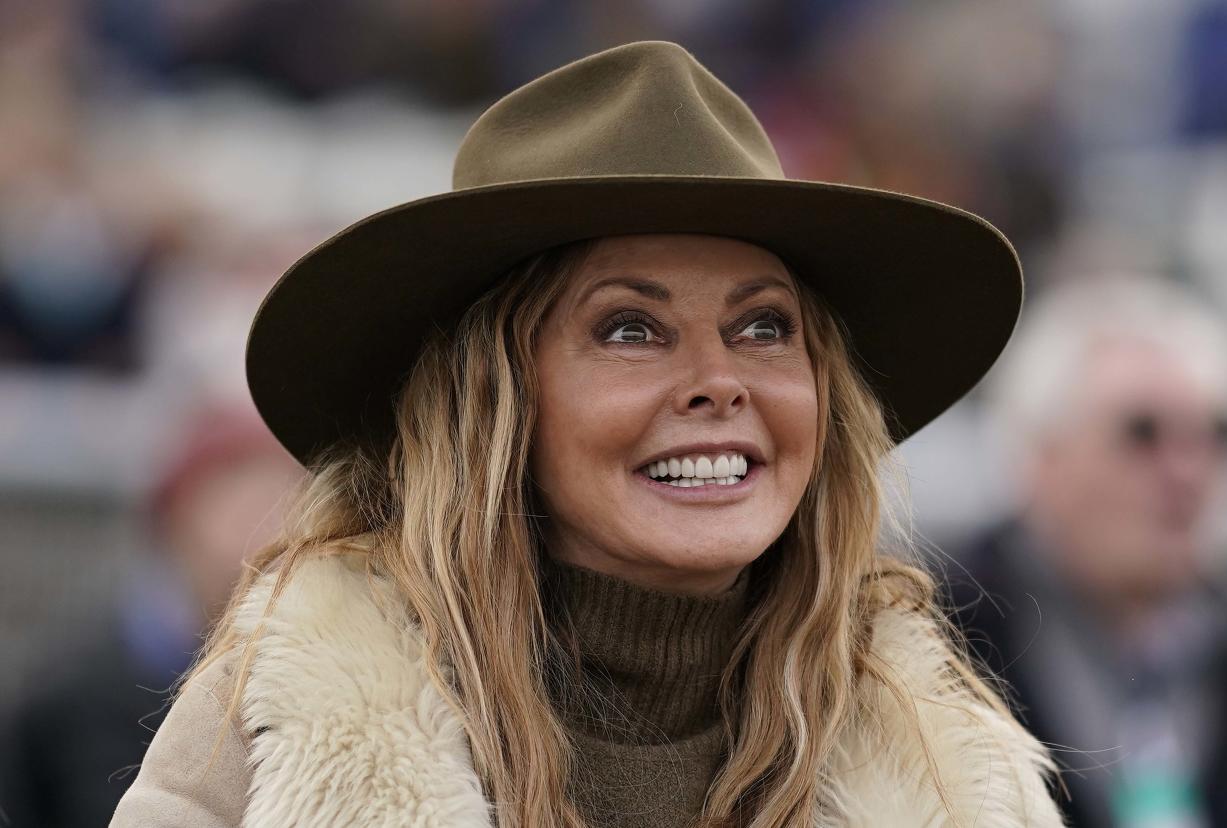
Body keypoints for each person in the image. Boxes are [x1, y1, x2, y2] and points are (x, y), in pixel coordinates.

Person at [110, 41, 1063, 827]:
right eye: (630, 330)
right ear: (493, 406)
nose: (720, 383)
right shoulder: (279, 718)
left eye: (765, 326)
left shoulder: (951, 775)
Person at [945, 276, 1227, 828]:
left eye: (1218, 434)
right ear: (1039, 455)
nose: (1189, 470)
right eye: (1142, 433)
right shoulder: (934, 644)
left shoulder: (1226, 643)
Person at [0, 403, 297, 827]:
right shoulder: (69, 683)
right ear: (176, 512)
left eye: (281, 496)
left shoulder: (299, 681)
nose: (263, 521)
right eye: (234, 490)